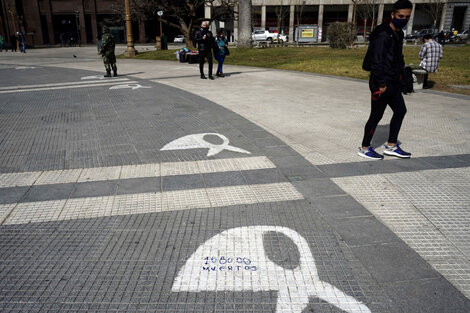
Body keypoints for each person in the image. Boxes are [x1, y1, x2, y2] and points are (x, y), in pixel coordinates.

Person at [358, 0, 413, 160]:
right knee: (376, 116)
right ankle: (364, 147)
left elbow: (395, 57)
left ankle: (391, 145)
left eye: (407, 17)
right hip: (381, 83)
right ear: (392, 15)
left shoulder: (399, 33)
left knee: (401, 110)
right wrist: (381, 84)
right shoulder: (382, 34)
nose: (403, 19)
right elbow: (376, 61)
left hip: (394, 81)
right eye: (400, 16)